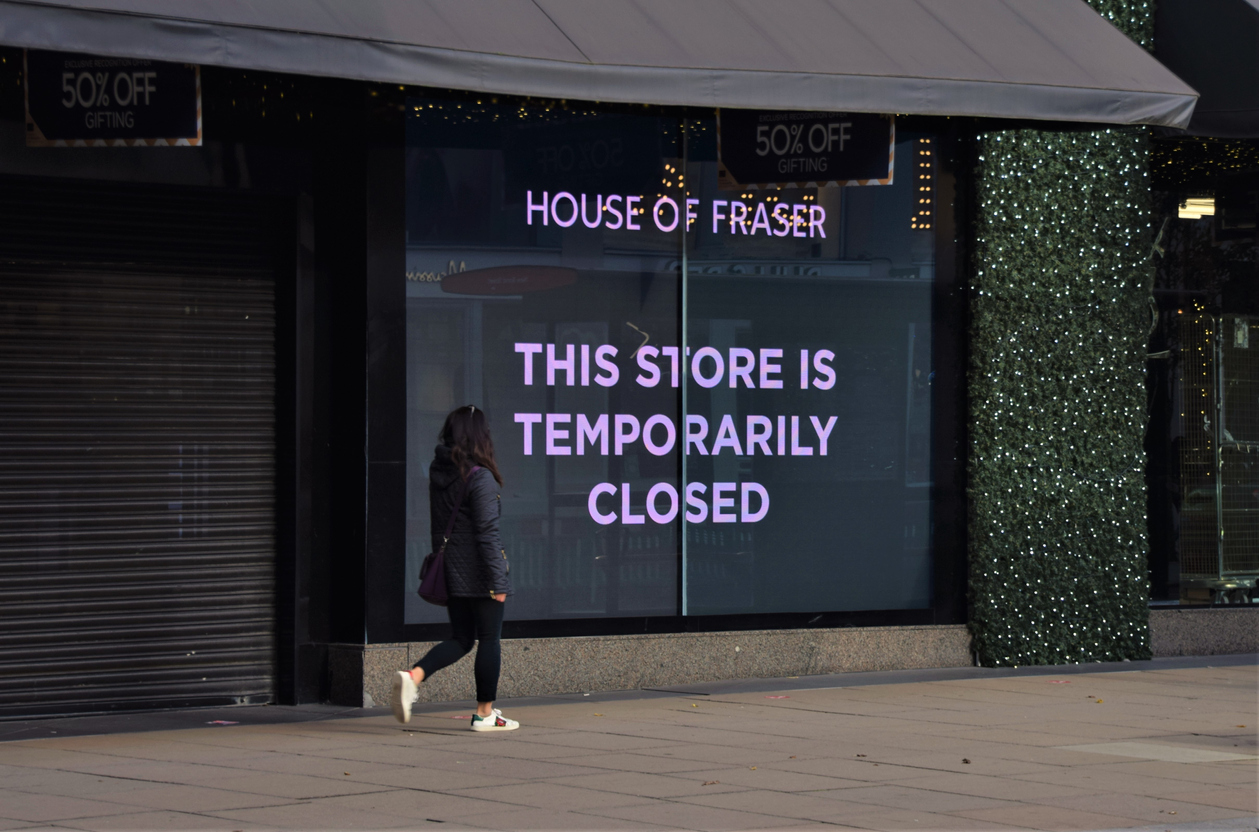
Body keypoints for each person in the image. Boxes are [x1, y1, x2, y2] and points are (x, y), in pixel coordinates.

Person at [391, 405, 518, 731]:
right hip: (480, 573)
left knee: (462, 638)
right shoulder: (481, 477)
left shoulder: (441, 472)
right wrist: (498, 580)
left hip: (451, 570)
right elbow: (487, 535)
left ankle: (413, 676)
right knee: (489, 639)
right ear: (481, 437)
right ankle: (485, 713)